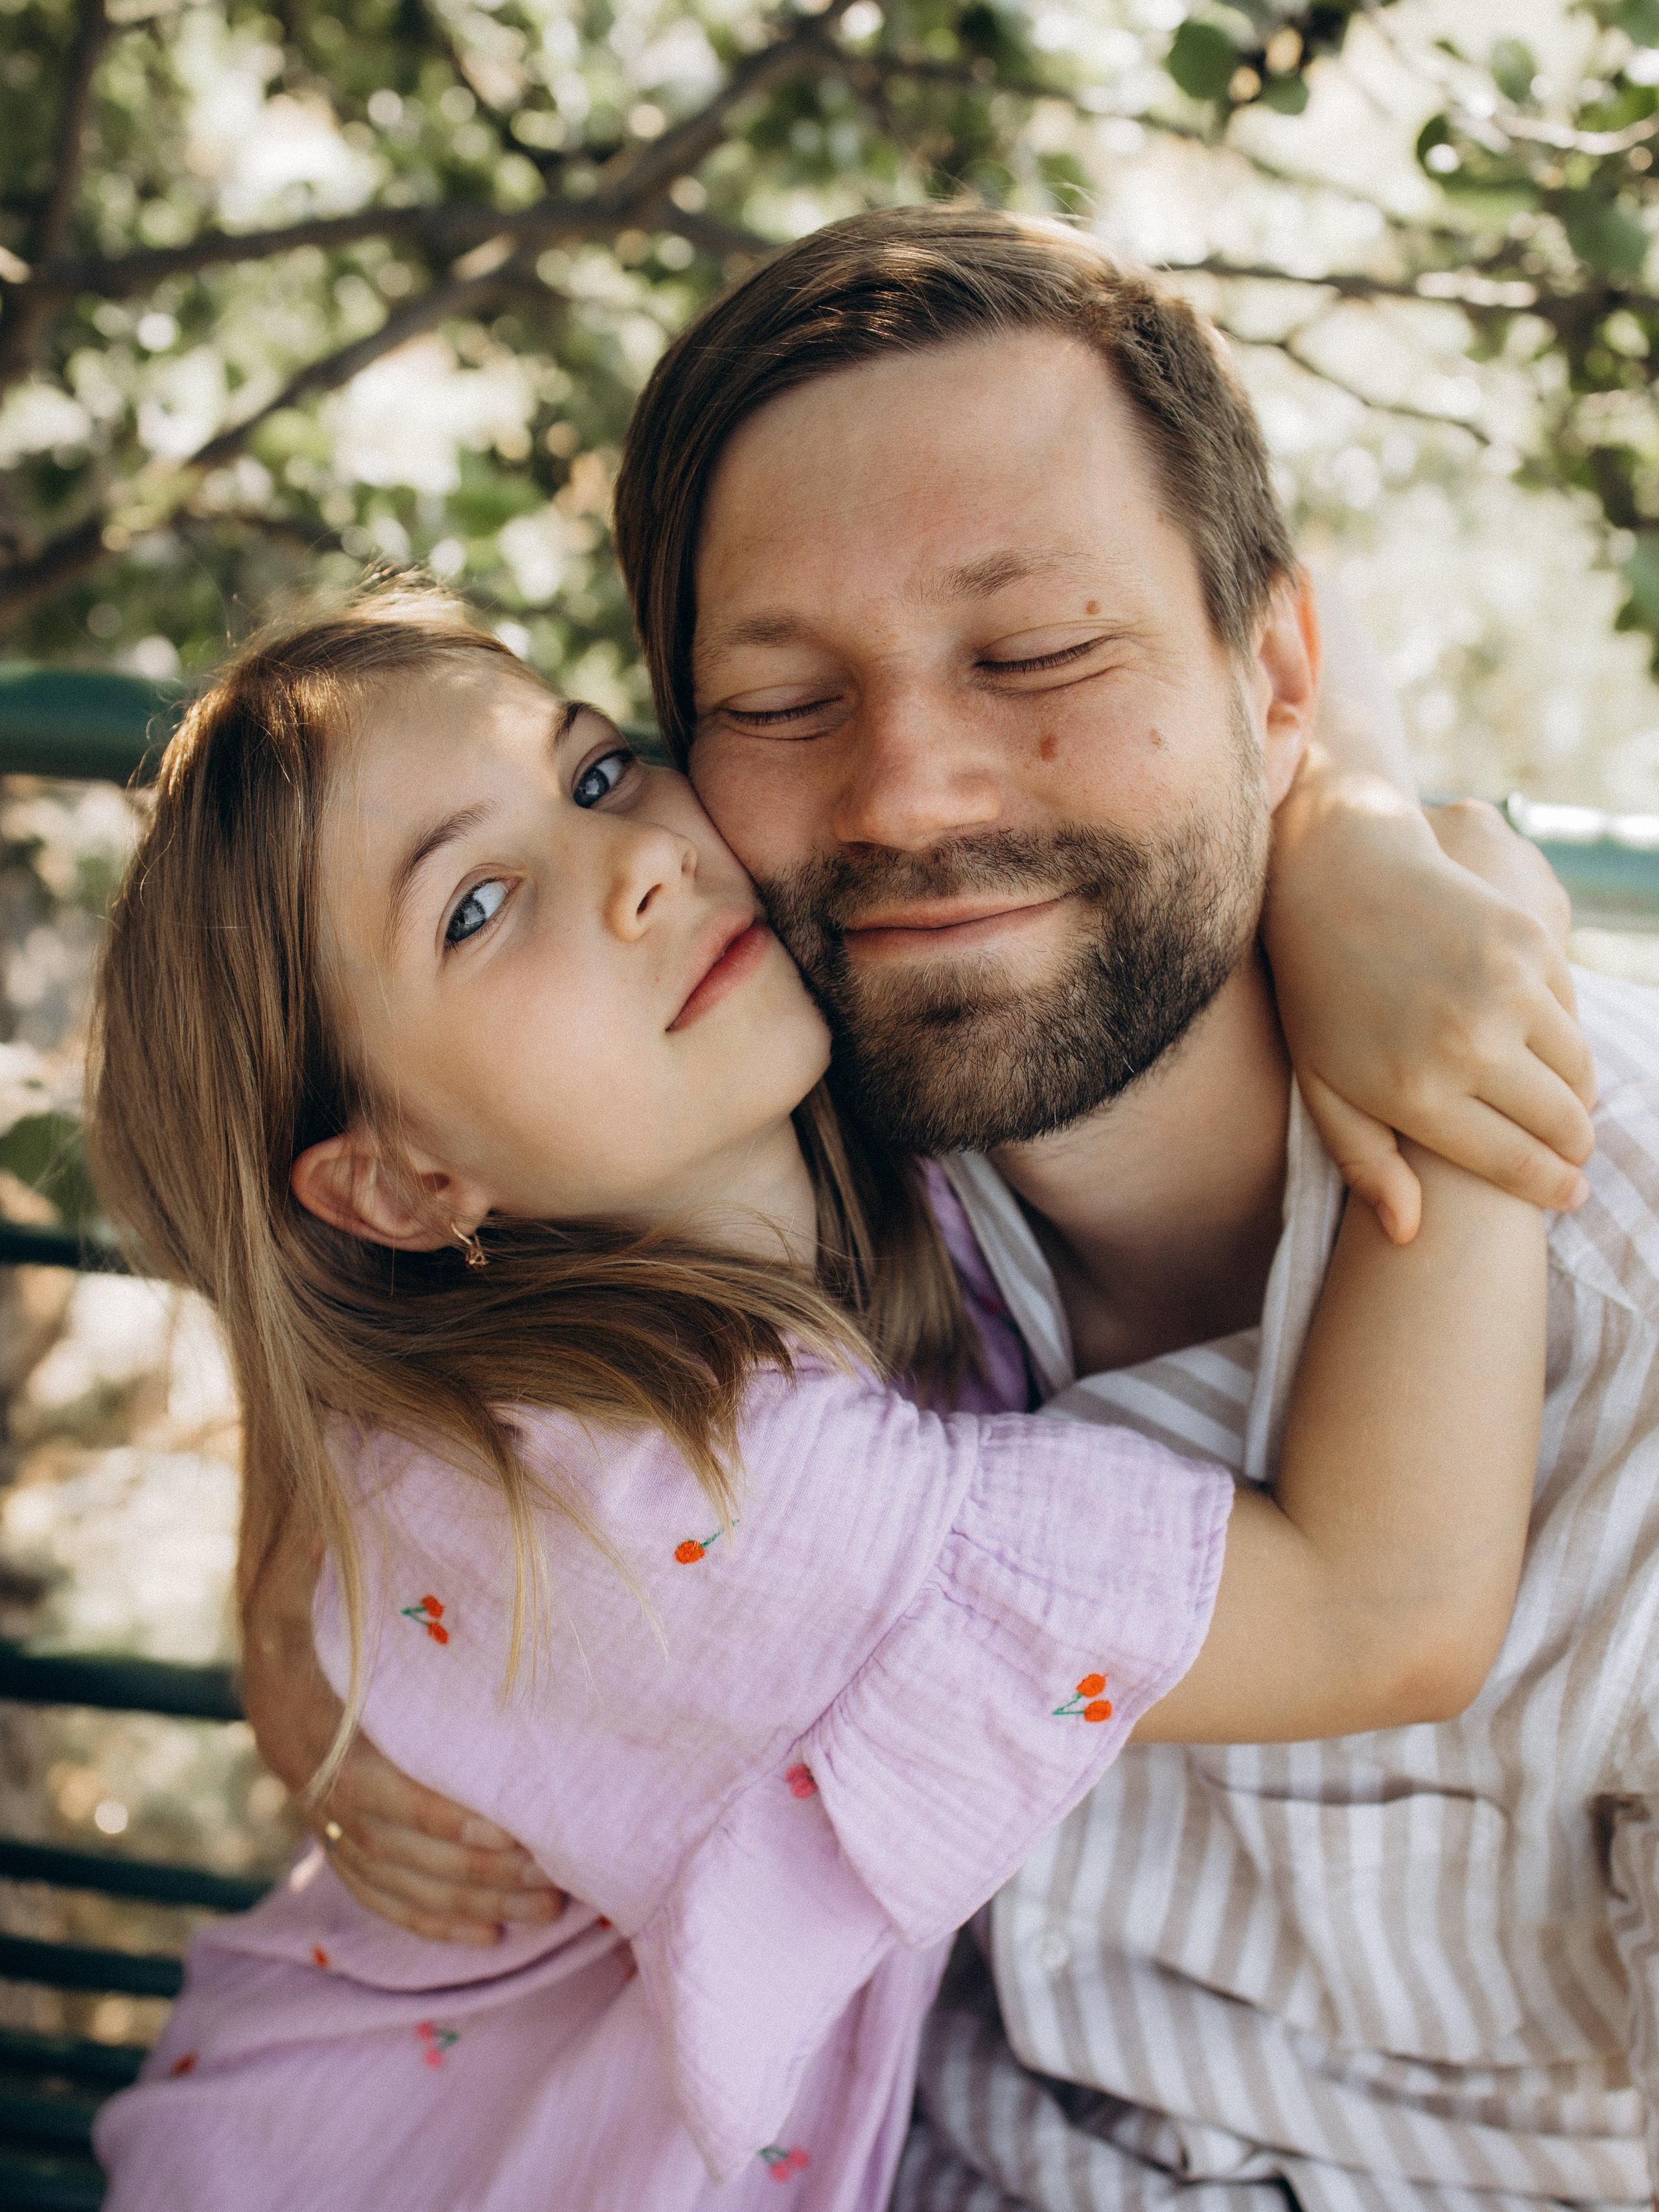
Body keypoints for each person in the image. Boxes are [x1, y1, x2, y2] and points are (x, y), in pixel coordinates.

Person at [249, 206, 1659, 2210]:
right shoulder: (764, 1103)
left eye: (1039, 650)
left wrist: (1392, 842)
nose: (907, 792)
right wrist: (296, 1641)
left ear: (1274, 672)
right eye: (783, 698)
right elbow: (375, 1272)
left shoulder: (1625, 1319)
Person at [86, 592, 1546, 2209]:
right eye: (478, 906)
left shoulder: (722, 1180)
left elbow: (1206, 578)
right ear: (404, 1185)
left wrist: (1352, 841)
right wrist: (1487, 994)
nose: (637, 860)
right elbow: (1383, 1608)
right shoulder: (699, 1495)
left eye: (592, 776)